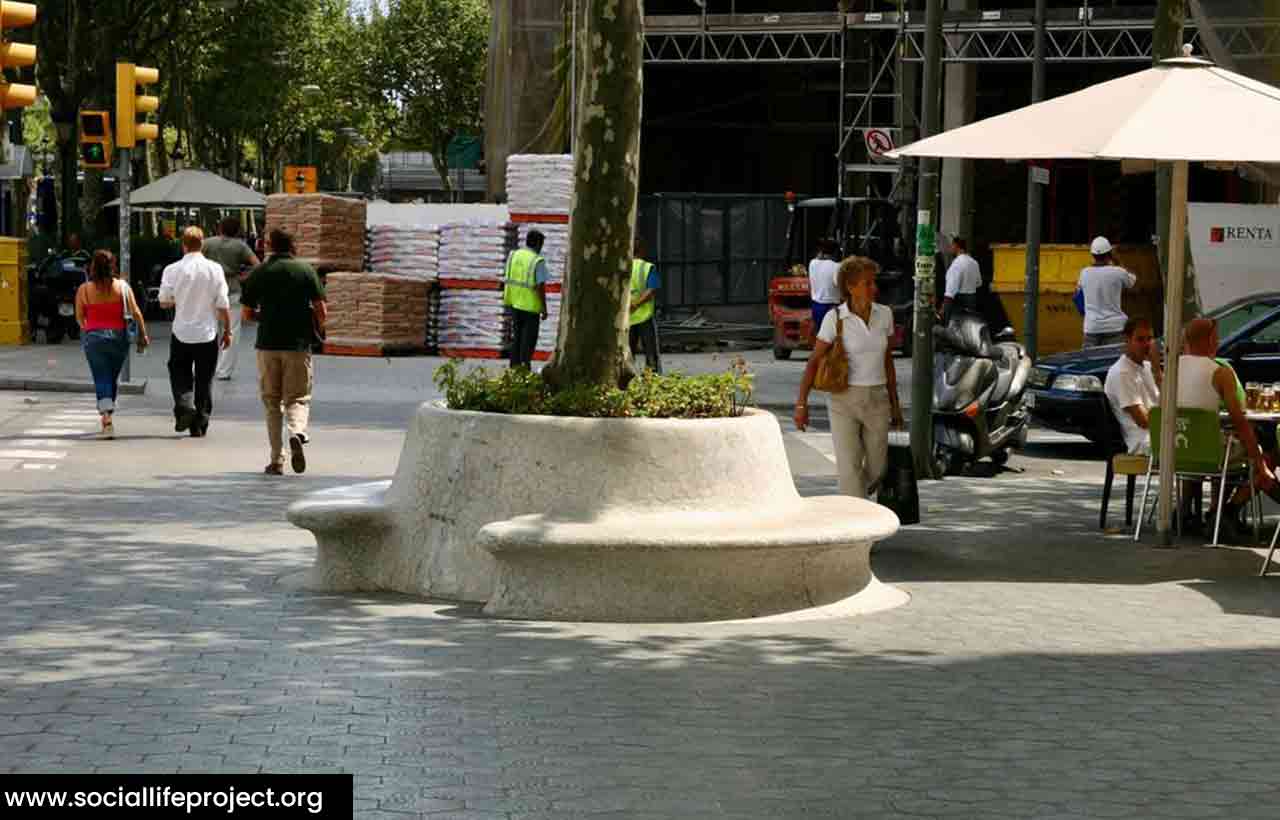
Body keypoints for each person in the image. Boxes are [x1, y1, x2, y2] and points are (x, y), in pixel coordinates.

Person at [794, 256, 904, 499]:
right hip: (842, 400)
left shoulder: (884, 315)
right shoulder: (835, 318)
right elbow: (813, 362)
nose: (873, 288)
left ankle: (855, 500)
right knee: (849, 468)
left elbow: (888, 361)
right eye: (867, 283)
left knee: (877, 467)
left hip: (877, 399)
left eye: (873, 282)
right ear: (850, 287)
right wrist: (802, 403)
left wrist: (895, 405)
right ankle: (858, 523)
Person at [1176, 317, 1278, 539]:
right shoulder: (1221, 372)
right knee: (1266, 456)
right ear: (1212, 339)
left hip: (1178, 452)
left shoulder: (1172, 372)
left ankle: (1218, 512)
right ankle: (1225, 512)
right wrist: (1261, 465)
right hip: (1214, 453)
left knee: (1241, 447)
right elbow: (1241, 422)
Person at [240, 229, 327, 476]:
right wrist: (320, 332)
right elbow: (322, 311)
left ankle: (276, 460)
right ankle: (297, 432)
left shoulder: (260, 272)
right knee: (297, 398)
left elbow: (246, 314)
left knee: (271, 402)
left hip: (267, 345)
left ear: (269, 246)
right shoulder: (306, 270)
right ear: (293, 245)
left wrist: (265, 316)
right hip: (298, 346)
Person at [159, 226, 232, 438]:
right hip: (207, 332)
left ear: (183, 245)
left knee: (178, 371)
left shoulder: (172, 270)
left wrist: (178, 299)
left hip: (181, 331)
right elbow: (222, 304)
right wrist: (227, 330)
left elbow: (164, 302)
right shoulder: (215, 269)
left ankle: (184, 405)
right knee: (204, 378)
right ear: (202, 245)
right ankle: (200, 423)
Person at [74, 250, 149, 438]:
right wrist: (143, 336)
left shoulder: (84, 290)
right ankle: (107, 415)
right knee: (111, 378)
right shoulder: (122, 287)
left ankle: (106, 417)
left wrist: (90, 330)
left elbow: (79, 317)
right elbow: (137, 312)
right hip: (119, 338)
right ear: (112, 266)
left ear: (93, 267)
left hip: (94, 339)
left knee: (101, 377)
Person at [204, 217, 261, 381]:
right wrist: (244, 277)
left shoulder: (207, 243)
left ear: (219, 228)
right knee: (232, 331)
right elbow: (258, 265)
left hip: (209, 291)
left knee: (208, 329)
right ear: (237, 231)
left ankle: (202, 367)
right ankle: (224, 371)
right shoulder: (240, 246)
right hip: (232, 291)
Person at [1104, 318, 1163, 455]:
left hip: (1160, 431)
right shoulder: (1122, 373)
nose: (1147, 345)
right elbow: (1143, 421)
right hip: (1142, 440)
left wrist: (1157, 372)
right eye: (1140, 340)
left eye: (1150, 339)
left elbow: (1169, 402)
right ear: (1127, 340)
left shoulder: (1148, 367)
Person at [1076, 236, 1137, 348]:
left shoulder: (1084, 273)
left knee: (1090, 363)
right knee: (1113, 362)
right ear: (1109, 254)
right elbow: (1132, 281)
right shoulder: (1118, 272)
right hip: (1115, 327)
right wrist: (1118, 261)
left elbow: (1079, 296)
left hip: (1092, 327)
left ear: (1093, 255)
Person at [502, 229, 549, 369]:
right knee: (528, 342)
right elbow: (540, 287)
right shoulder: (537, 261)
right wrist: (544, 308)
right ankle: (524, 370)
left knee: (517, 339)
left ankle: (513, 369)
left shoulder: (514, 255)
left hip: (515, 303)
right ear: (538, 244)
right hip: (530, 307)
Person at [629, 238, 663, 374]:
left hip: (627, 318)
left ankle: (625, 382)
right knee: (650, 352)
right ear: (642, 251)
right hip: (645, 317)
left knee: (627, 353)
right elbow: (652, 289)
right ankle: (651, 380)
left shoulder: (622, 266)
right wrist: (636, 304)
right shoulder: (647, 267)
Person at [941, 236, 981, 322]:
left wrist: (944, 307)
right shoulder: (974, 262)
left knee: (955, 330)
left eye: (952, 246)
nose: (950, 248)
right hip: (972, 301)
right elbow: (978, 283)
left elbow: (950, 291)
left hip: (959, 302)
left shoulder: (957, 264)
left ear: (956, 246)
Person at [807, 238, 841, 340]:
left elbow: (818, 258)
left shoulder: (812, 263)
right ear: (836, 252)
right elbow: (838, 284)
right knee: (832, 336)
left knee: (821, 336)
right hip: (831, 307)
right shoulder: (837, 267)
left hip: (816, 306)